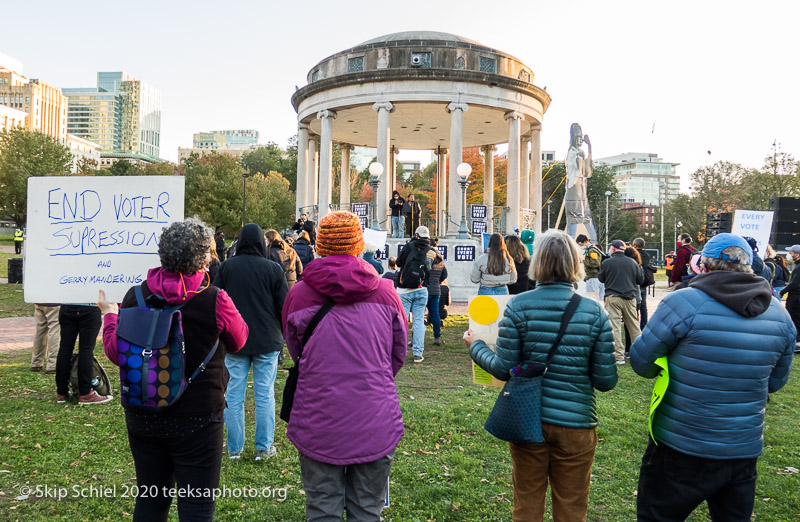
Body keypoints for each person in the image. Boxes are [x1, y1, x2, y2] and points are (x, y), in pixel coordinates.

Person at [631, 233, 795, 521]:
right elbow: (775, 382)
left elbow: (641, 362)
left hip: (682, 444)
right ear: (750, 266)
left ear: (702, 266)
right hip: (742, 449)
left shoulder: (684, 302)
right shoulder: (779, 315)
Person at [99, 218, 249, 520]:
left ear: (162, 253)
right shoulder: (215, 300)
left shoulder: (135, 296)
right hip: (199, 417)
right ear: (203, 258)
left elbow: (117, 353)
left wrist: (109, 316)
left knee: (151, 500)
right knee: (197, 506)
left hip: (143, 411)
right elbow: (240, 340)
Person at [464, 230, 617, 522]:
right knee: (572, 506)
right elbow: (606, 381)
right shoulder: (594, 311)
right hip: (576, 422)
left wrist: (477, 347)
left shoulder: (518, 305)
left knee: (527, 502)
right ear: (576, 262)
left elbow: (502, 368)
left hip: (527, 419)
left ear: (538, 263)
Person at [281, 211, 407, 521]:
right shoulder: (386, 293)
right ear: (359, 245)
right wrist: (373, 375)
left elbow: (297, 350)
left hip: (318, 418)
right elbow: (397, 353)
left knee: (322, 510)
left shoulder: (298, 295)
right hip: (374, 415)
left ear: (321, 246)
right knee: (367, 510)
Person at [213, 223, 288, 462]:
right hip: (267, 339)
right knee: (265, 394)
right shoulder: (273, 269)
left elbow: (215, 300)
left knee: (234, 394)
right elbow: (283, 307)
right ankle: (263, 448)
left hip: (235, 340)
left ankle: (235, 449)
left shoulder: (226, 268)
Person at [598, 240, 643, 365]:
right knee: (634, 326)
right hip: (630, 297)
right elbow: (640, 279)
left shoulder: (607, 262)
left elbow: (601, 279)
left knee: (615, 327)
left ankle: (619, 357)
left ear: (613, 249)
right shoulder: (633, 262)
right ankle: (640, 355)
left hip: (613, 297)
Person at [397, 226, 437, 362]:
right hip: (422, 288)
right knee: (419, 321)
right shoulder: (431, 251)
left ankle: (399, 352)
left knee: (402, 321)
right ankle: (418, 353)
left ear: (416, 235)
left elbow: (399, 262)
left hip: (404, 289)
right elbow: (432, 268)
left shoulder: (408, 246)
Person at [55, 304, 109, 404]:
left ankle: (62, 392)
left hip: (67, 306)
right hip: (89, 307)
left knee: (65, 349)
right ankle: (85, 393)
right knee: (86, 350)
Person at [425, 239, 448, 346]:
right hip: (436, 290)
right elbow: (445, 274)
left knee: (419, 314)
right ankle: (437, 336)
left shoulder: (427, 257)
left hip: (426, 289)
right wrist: (437, 281)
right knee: (435, 313)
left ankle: (416, 337)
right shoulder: (440, 259)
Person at [778, 244, 800, 350]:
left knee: (794, 318)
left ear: (797, 255)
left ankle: (797, 341)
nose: (789, 255)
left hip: (796, 297)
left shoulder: (799, 267)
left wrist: (783, 291)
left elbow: (794, 283)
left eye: (791, 253)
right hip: (796, 296)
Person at [31, 303, 60, 373]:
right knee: (54, 331)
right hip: (55, 303)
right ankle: (52, 364)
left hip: (39, 301)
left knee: (39, 332)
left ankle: (36, 362)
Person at [632, 238, 654, 329]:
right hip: (644, 280)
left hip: (636, 280)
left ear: (635, 245)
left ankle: (635, 322)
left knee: (636, 303)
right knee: (643, 305)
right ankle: (644, 324)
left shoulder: (635, 255)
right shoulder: (646, 255)